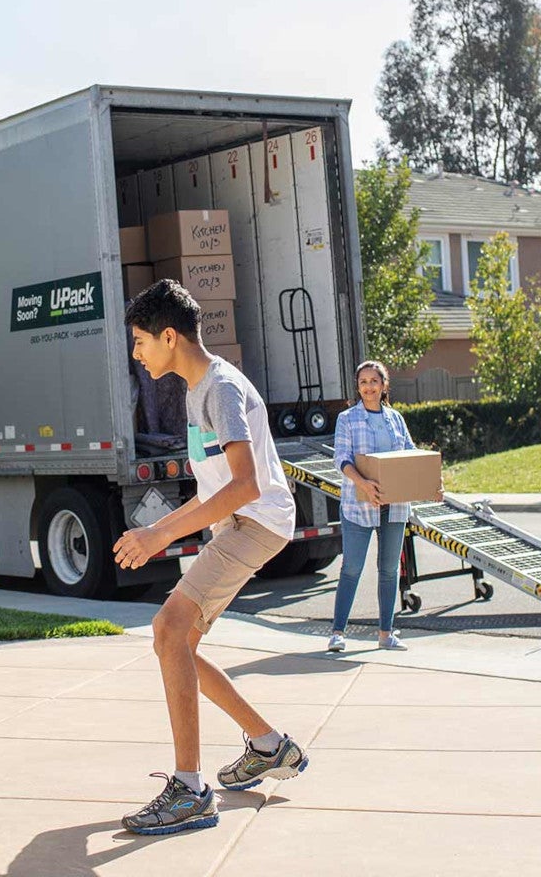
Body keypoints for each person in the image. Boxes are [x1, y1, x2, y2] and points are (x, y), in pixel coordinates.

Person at [115, 279, 309, 837]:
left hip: (255, 523)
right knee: (176, 644)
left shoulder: (220, 389)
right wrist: (162, 532)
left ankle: (190, 789)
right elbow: (216, 488)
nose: (136, 352)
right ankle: (269, 745)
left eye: (140, 341)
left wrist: (158, 535)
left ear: (169, 336)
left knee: (168, 630)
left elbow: (246, 485)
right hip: (239, 521)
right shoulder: (198, 389)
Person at [328, 359, 416, 654]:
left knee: (389, 570)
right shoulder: (347, 419)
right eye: (363, 382)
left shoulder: (395, 419)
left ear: (384, 385)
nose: (369, 387)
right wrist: (363, 484)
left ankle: (386, 634)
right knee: (351, 568)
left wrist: (431, 483)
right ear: (358, 386)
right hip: (358, 505)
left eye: (374, 381)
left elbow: (411, 456)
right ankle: (338, 632)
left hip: (394, 505)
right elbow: (342, 458)